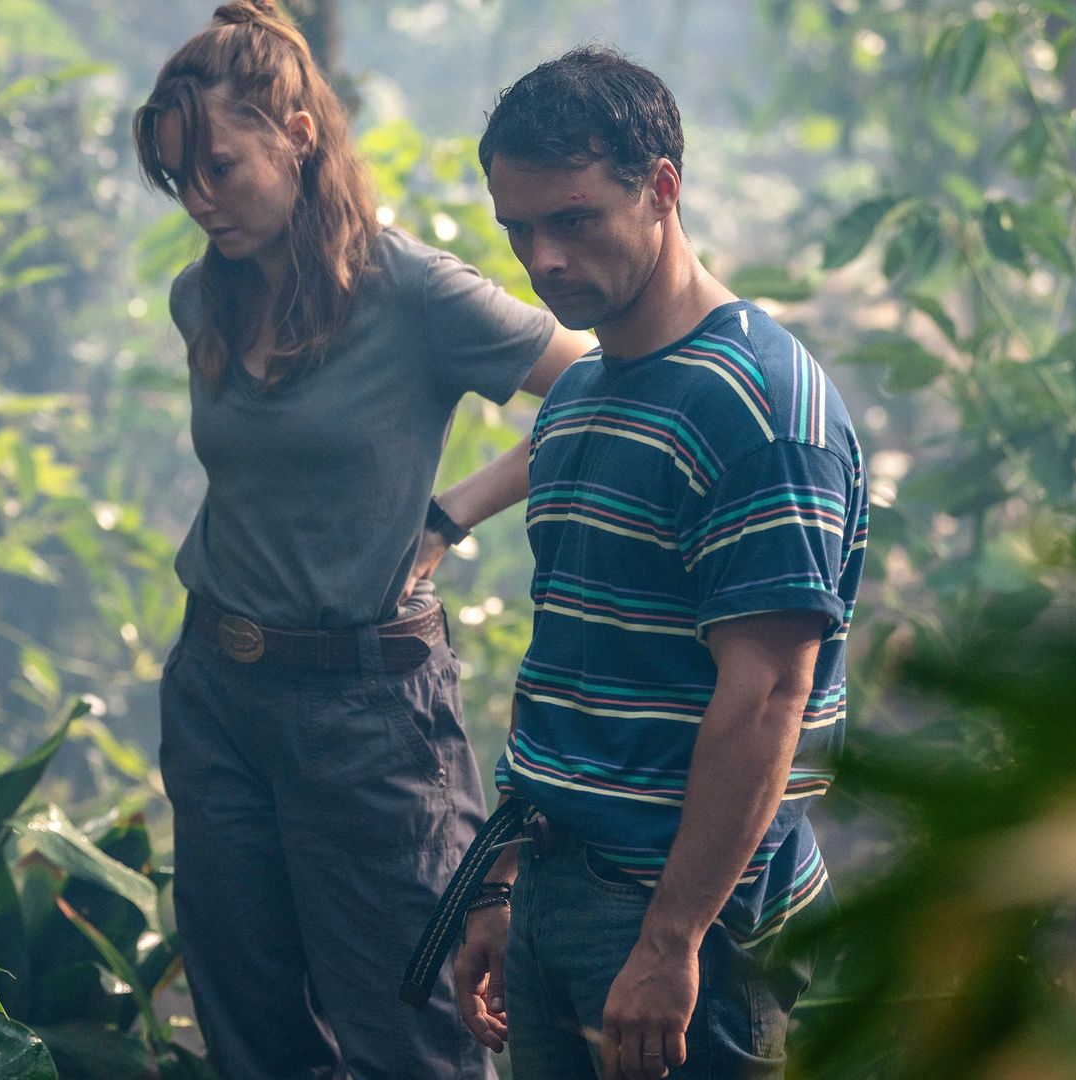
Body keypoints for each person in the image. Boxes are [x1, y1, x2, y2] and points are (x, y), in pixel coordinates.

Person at [130, 4, 594, 1077]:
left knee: (408, 1030)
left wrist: (452, 513)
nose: (200, 200)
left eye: (220, 167)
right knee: (248, 1029)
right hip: (217, 695)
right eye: (176, 178)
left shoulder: (411, 291)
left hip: (367, 712)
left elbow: (597, 382)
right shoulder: (201, 295)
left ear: (297, 132)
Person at [450, 47, 868, 1080]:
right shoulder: (584, 395)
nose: (542, 258)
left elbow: (770, 693)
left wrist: (673, 940)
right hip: (561, 890)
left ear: (662, 188)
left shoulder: (757, 406)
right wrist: (502, 885)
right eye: (520, 228)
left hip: (682, 918)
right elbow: (567, 662)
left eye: (574, 218)